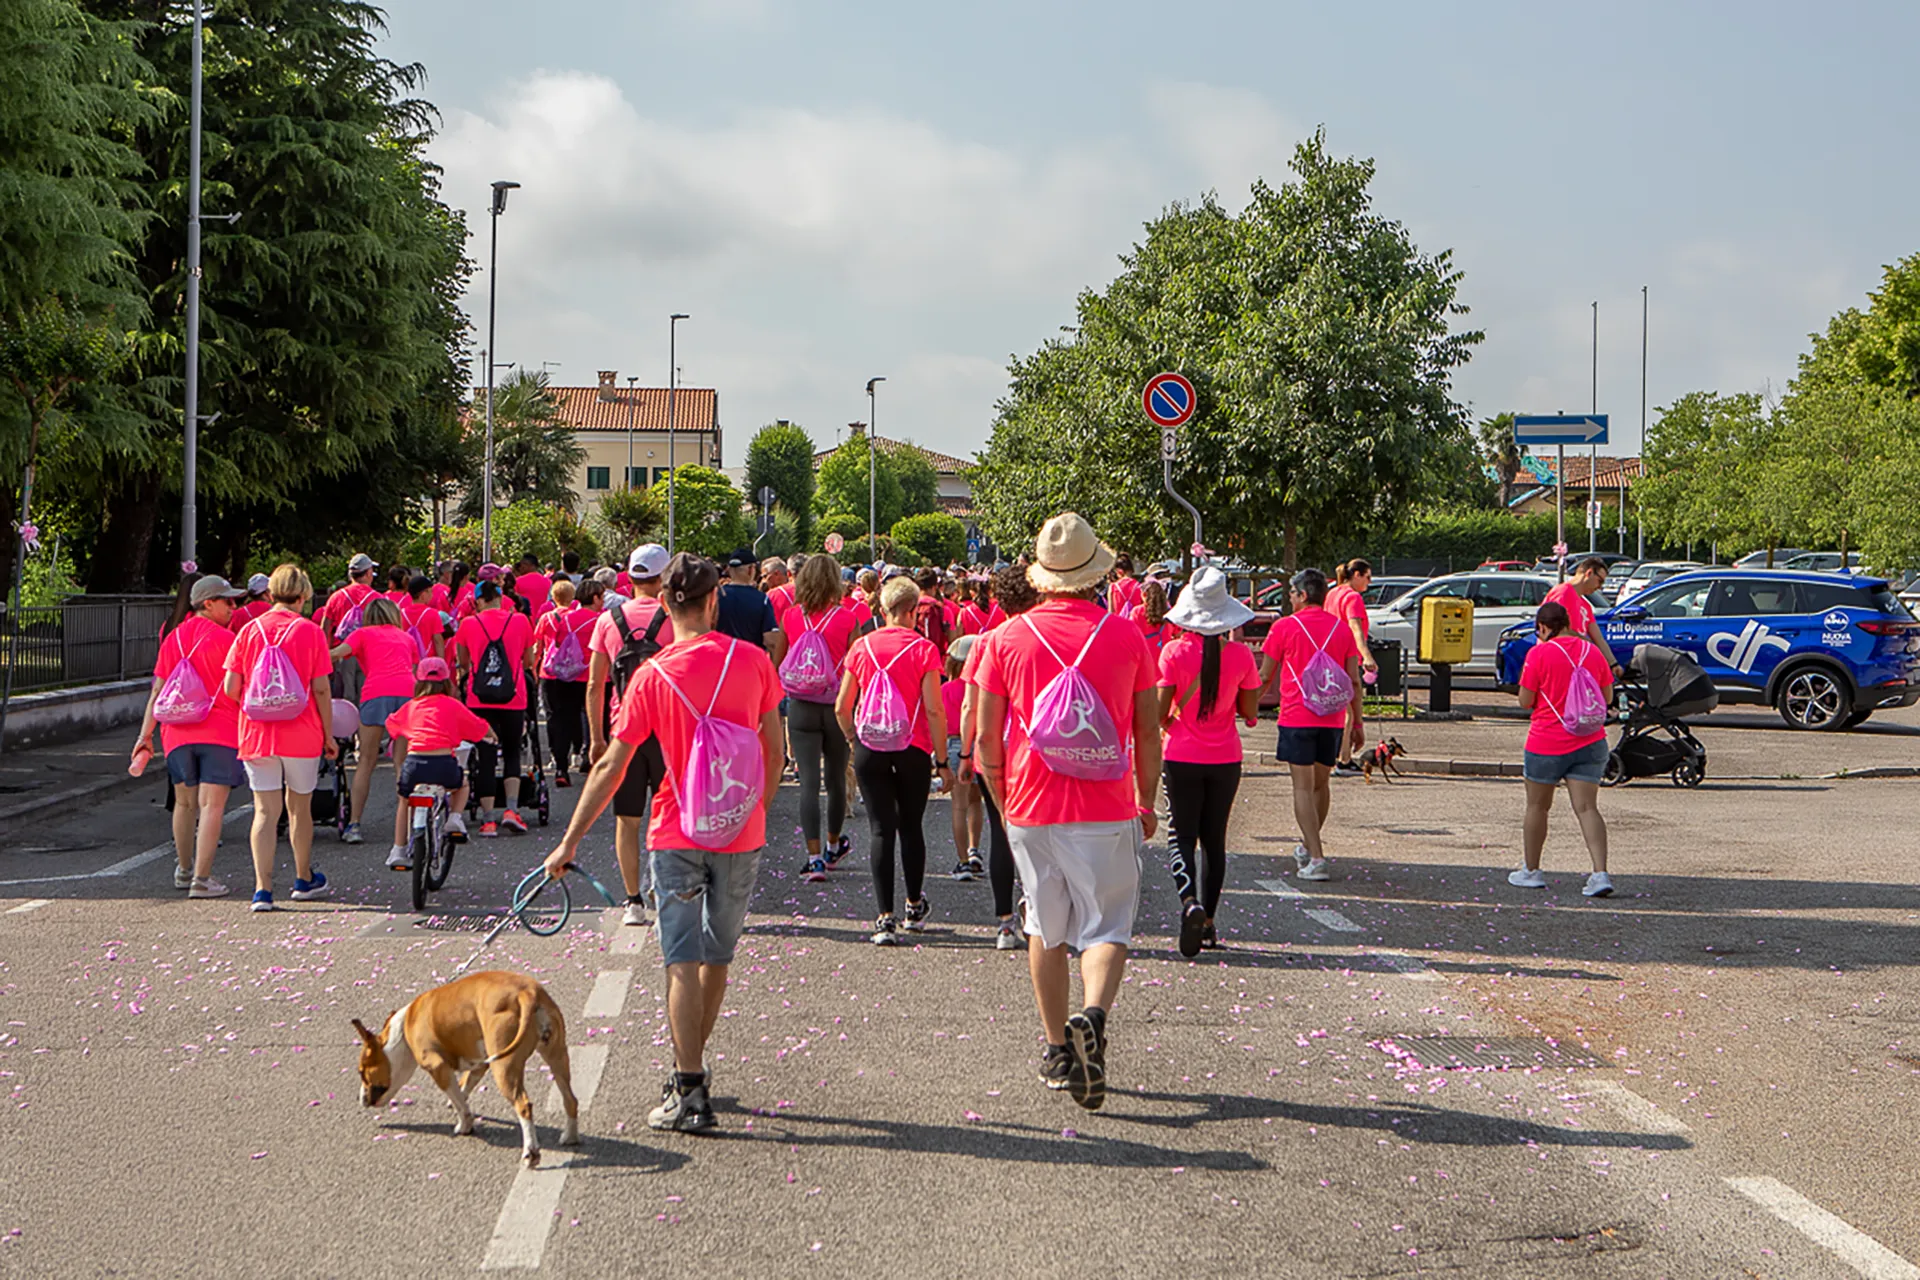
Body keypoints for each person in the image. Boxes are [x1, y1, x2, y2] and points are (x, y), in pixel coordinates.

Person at [543, 554, 783, 1133]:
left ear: (666, 604)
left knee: (681, 960)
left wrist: (569, 843)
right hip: (740, 831)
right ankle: (688, 1071)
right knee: (717, 958)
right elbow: (775, 754)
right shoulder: (752, 661)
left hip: (676, 829)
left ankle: (689, 1085)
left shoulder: (652, 675)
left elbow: (611, 766)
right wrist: (751, 813)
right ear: (713, 601)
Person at [974, 513, 1161, 1111]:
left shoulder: (1005, 639)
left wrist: (1003, 802)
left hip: (1031, 803)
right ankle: (1094, 1016)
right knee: (1106, 926)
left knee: (1044, 926)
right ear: (1095, 573)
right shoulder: (1127, 637)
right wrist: (1147, 800)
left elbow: (986, 739)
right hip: (1106, 803)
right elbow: (1147, 731)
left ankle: (1057, 1049)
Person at [835, 575, 950, 945]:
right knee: (911, 827)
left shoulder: (862, 647)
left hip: (871, 746)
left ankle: (884, 917)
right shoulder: (924, 649)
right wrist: (942, 759)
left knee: (880, 830)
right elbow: (934, 709)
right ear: (913, 610)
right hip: (912, 747)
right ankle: (914, 906)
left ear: (883, 610)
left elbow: (842, 706)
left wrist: (854, 739)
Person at [1157, 567, 1262, 957]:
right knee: (1214, 841)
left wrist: (1172, 721)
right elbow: (1250, 712)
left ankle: (1189, 904)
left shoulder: (1173, 652)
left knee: (1181, 837)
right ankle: (1210, 923)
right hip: (1226, 758)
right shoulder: (1241, 655)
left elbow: (1158, 712)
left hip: (1181, 756)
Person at [223, 563, 335, 911]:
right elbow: (321, 689)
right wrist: (329, 735)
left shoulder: (249, 630)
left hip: (257, 733)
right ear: (303, 596)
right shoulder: (311, 632)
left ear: (270, 593)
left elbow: (230, 688)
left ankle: (263, 890)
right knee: (299, 808)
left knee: (264, 811)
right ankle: (303, 879)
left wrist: (259, 705)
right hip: (302, 732)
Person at [136, 574, 248, 899]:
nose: (233, 607)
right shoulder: (228, 640)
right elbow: (238, 687)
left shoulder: (173, 638)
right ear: (207, 603)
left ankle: (184, 870)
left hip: (176, 732)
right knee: (212, 805)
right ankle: (202, 878)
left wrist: (145, 735)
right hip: (220, 730)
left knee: (184, 804)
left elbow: (157, 690)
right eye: (227, 601)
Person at [1256, 568, 1365, 883]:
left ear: (1303, 595)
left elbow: (1265, 675)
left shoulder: (1284, 627)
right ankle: (1307, 845)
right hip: (1332, 716)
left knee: (1301, 787)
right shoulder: (1341, 629)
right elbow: (1354, 681)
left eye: (1292, 593)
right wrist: (1357, 722)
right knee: (1321, 785)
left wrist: (1247, 706)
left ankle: (1316, 857)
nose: (1290, 598)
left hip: (1297, 715)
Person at [586, 543, 674, 924]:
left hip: (624, 730)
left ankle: (633, 901)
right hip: (668, 729)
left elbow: (595, 685)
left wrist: (596, 738)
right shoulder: (673, 618)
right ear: (664, 577)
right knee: (670, 813)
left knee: (627, 817)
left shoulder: (608, 620)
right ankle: (666, 886)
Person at [960, 563, 1040, 948]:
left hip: (991, 748)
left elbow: (970, 706)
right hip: (1032, 750)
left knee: (999, 832)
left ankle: (1004, 922)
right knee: (1039, 833)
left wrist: (964, 753)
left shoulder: (984, 643)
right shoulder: (1038, 639)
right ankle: (1037, 909)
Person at [1513, 600, 1614, 897]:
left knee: (1537, 807)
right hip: (1590, 740)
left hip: (1547, 741)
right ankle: (1600, 874)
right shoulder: (1592, 651)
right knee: (1587, 808)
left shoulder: (1539, 653)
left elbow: (1525, 701)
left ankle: (1531, 871)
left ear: (1543, 628)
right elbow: (1607, 696)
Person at [779, 554, 859, 880]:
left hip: (801, 705)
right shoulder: (848, 619)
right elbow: (856, 667)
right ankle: (832, 845)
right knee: (836, 780)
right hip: (837, 705)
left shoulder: (790, 616)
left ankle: (813, 858)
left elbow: (779, 660)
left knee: (809, 784)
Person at [331, 598, 422, 851]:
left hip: (376, 692)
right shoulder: (407, 638)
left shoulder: (362, 634)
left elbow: (337, 653)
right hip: (406, 693)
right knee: (402, 762)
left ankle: (354, 824)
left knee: (366, 761)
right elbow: (414, 667)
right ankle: (409, 825)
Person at [453, 579, 537, 836]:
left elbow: (463, 662)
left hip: (479, 699)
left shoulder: (468, 624)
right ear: (501, 598)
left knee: (486, 756)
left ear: (479, 600)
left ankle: (488, 819)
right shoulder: (520, 621)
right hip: (514, 696)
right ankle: (511, 810)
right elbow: (528, 660)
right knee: (512, 752)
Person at [533, 578, 596, 788]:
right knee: (582, 714)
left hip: (552, 672)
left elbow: (538, 646)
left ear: (553, 597)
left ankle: (560, 763)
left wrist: (534, 668)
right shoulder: (577, 618)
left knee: (557, 718)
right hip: (581, 671)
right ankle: (581, 752)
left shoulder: (547, 618)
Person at [1326, 559, 1379, 777]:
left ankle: (1340, 757)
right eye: (1367, 577)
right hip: (1345, 658)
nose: (1369, 582)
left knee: (1338, 710)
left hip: (1327, 658)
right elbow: (1355, 628)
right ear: (1356, 574)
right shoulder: (1353, 597)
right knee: (1347, 711)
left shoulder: (1332, 594)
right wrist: (1367, 656)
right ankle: (1344, 760)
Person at [942, 635, 984, 884]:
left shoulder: (946, 690)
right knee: (977, 801)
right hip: (980, 744)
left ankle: (962, 861)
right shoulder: (983, 688)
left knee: (959, 805)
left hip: (955, 744)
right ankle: (974, 848)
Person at [322, 553, 381, 701]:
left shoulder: (336, 597)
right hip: (369, 653)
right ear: (368, 573)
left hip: (341, 652)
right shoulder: (378, 599)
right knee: (366, 695)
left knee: (344, 696)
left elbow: (325, 628)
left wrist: (327, 657)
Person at [1546, 556, 1619, 670]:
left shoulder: (1585, 605)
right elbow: (1556, 631)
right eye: (1600, 581)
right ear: (1589, 573)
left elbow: (1598, 639)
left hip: (1575, 665)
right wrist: (1587, 644)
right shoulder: (1562, 593)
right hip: (1557, 662)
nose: (1600, 587)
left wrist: (1613, 664)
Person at [717, 548, 787, 664]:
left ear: (729, 569)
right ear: (750, 570)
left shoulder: (715, 596)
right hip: (750, 662)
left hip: (720, 661)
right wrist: (774, 669)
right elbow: (770, 640)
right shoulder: (761, 599)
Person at [1130, 579, 1171, 653]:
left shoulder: (1137, 612)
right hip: (1165, 653)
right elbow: (1177, 632)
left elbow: (1133, 635)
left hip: (1146, 653)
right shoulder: (1169, 610)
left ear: (1144, 595)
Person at [1106, 553, 1143, 618]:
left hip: (1119, 622)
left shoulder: (1113, 587)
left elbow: (1110, 612)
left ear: (1119, 571)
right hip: (1135, 622)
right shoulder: (1140, 586)